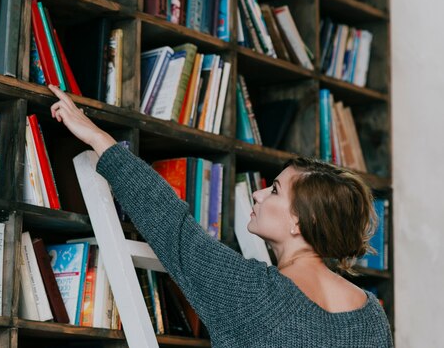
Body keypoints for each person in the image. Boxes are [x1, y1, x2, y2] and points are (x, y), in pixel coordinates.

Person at [48, 84, 393, 347]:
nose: (257, 193)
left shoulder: (256, 293)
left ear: (299, 221)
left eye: (274, 189)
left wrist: (98, 138)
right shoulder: (372, 314)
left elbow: (173, 226)